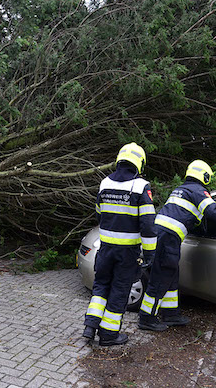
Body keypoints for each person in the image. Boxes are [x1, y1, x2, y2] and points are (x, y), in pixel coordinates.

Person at [138, 160, 216, 331]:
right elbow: (214, 212)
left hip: (165, 236)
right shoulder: (198, 191)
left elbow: (197, 216)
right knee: (161, 276)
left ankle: (170, 314)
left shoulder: (183, 189)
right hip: (168, 237)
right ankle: (147, 318)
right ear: (204, 176)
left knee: (171, 275)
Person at [82, 143, 157, 346]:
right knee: (119, 290)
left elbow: (99, 212)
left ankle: (90, 326)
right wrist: (150, 254)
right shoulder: (141, 187)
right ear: (139, 163)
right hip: (127, 252)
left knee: (100, 286)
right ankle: (108, 335)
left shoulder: (105, 183)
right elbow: (148, 224)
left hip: (105, 248)